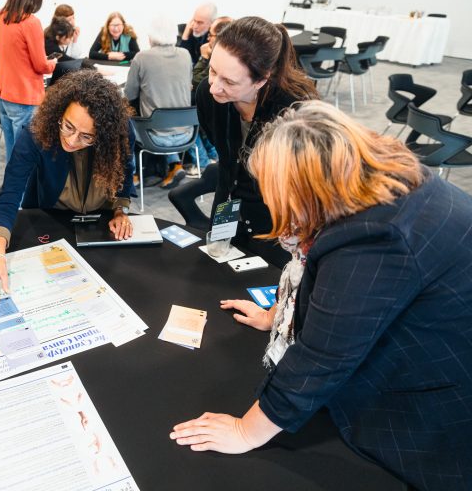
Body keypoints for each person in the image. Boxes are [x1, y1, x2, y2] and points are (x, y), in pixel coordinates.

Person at [171, 100, 472, 490]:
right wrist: (277, 315)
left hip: (432, 399)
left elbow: (323, 356)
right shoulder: (379, 179)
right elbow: (327, 283)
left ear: (306, 188)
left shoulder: (374, 238)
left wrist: (246, 431)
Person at [168, 16, 318, 267]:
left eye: (229, 81)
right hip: (227, 202)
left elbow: (304, 186)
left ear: (262, 80)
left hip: (276, 221)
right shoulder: (208, 95)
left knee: (267, 280)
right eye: (213, 71)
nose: (214, 87)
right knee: (216, 271)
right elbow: (226, 155)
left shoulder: (296, 111)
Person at [0, 70, 135, 301]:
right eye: (68, 126)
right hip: (52, 215)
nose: (72, 140)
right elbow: (10, 194)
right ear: (59, 113)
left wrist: (120, 209)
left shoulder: (120, 131)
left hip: (101, 219)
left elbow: (125, 170)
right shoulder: (35, 133)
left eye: (87, 136)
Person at [124, 15, 197, 190]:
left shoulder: (142, 57)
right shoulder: (185, 55)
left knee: (124, 118)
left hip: (154, 137)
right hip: (187, 134)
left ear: (151, 35)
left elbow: (129, 94)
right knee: (165, 116)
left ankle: (132, 174)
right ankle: (175, 164)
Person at [0, 0, 57, 162]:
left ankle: (12, 182)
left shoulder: (0, 16)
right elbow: (40, 65)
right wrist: (53, 63)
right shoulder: (31, 22)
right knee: (24, 156)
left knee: (13, 151)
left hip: (3, 93)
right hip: (24, 96)